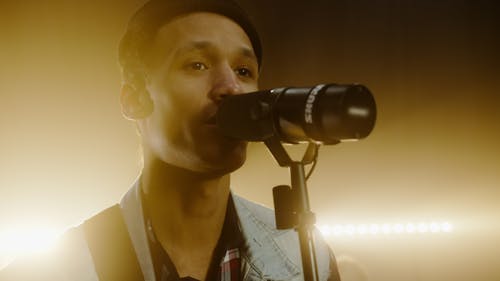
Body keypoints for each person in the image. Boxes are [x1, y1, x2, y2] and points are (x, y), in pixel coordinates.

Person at [0, 0, 340, 280]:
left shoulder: (308, 257)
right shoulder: (53, 272)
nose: (230, 88)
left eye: (243, 71)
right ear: (134, 99)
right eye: (197, 65)